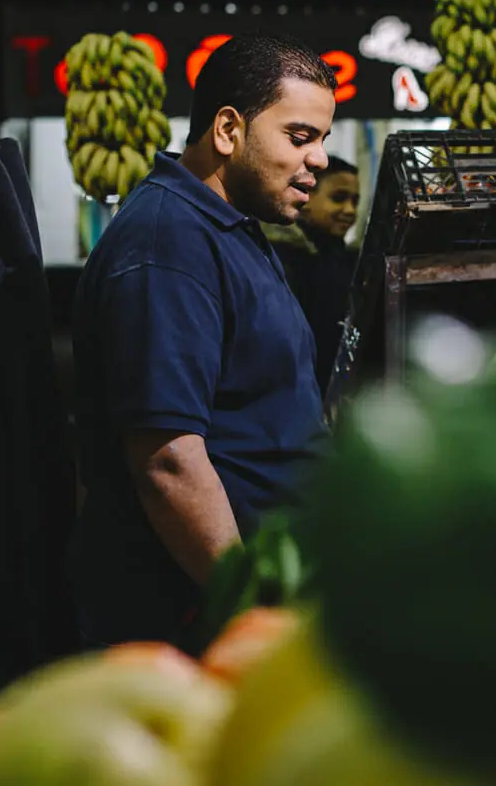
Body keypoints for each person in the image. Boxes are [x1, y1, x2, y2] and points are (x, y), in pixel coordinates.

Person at [68, 33, 336, 646]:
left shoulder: (231, 227)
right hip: (192, 621)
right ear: (226, 130)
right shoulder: (169, 243)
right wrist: (252, 618)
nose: (319, 159)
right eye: (300, 137)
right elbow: (168, 461)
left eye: (322, 139)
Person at [266, 156, 360, 395]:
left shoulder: (345, 259)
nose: (350, 210)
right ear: (306, 197)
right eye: (338, 198)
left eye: (355, 201)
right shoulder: (282, 257)